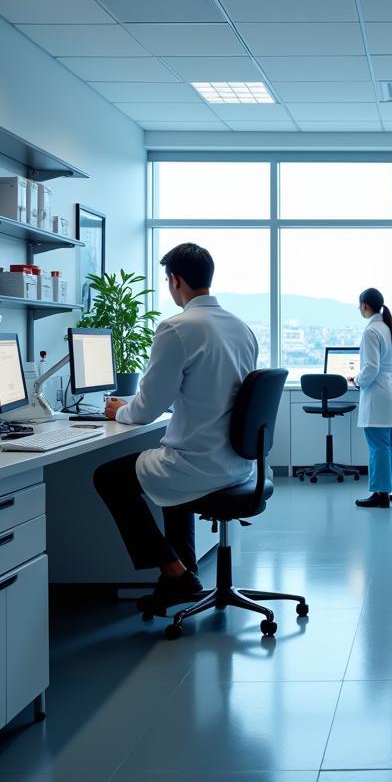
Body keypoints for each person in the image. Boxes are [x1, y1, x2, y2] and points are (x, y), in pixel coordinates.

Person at [93, 243, 259, 608]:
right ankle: (182, 576)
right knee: (165, 471)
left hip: (199, 463)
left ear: (175, 280)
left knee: (109, 478)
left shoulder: (177, 327)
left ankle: (174, 571)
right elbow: (213, 392)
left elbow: (143, 411)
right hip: (238, 464)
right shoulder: (240, 327)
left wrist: (118, 410)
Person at [352, 287, 392, 509]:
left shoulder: (371, 331)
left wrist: (357, 380)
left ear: (365, 306)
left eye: (360, 306)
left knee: (378, 446)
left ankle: (380, 493)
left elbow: (371, 368)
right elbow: (391, 365)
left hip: (380, 393)